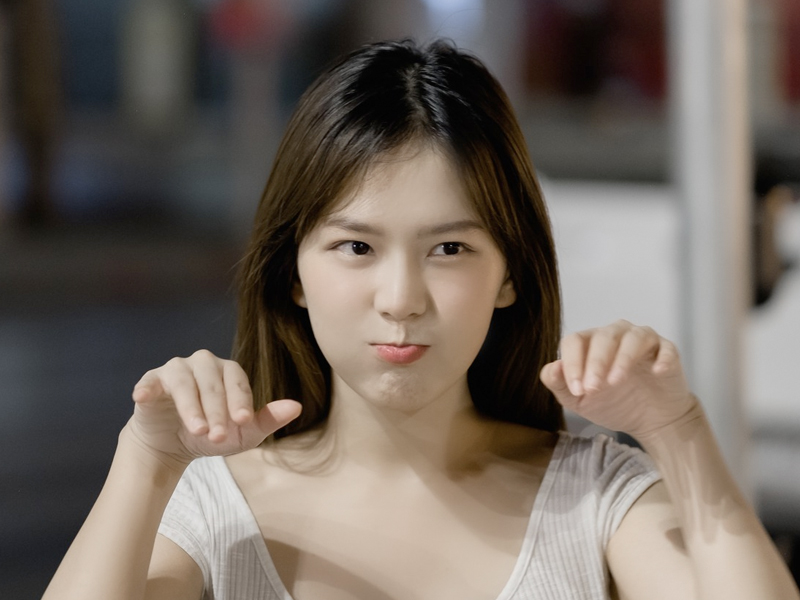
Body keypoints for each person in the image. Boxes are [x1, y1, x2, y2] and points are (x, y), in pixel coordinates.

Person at [43, 39, 799, 600]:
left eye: (449, 248)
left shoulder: (598, 496)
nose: (401, 298)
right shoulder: (214, 506)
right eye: (357, 247)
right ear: (293, 273)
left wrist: (676, 430)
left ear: (509, 272)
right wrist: (146, 460)